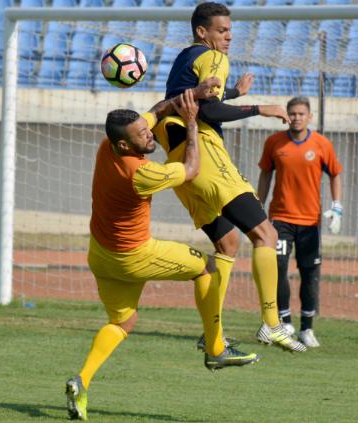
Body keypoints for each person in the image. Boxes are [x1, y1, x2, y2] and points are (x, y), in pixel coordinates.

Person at [65, 86, 259, 421]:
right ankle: (215, 349)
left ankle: (81, 382)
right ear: (125, 145)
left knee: (123, 321)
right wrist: (192, 124)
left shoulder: (106, 146)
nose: (148, 132)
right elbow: (192, 169)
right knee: (207, 268)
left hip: (101, 255)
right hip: (135, 255)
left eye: (145, 127)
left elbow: (155, 111)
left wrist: (186, 96)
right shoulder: (142, 173)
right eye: (142, 134)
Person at [152, 1, 306, 353]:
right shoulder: (214, 58)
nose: (229, 37)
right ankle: (272, 324)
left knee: (228, 244)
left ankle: (213, 334)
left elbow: (188, 97)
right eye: (222, 31)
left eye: (230, 31)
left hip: (180, 162)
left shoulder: (184, 58)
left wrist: (235, 92)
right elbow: (208, 108)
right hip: (203, 154)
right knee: (265, 234)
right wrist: (260, 108)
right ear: (202, 32)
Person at [257, 96, 344, 348]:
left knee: (309, 274)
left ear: (309, 117)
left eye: (300, 114)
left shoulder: (321, 144)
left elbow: (336, 174)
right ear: (287, 116)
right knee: (278, 269)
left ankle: (307, 328)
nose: (296, 118)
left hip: (310, 222)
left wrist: (337, 207)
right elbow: (265, 175)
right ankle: (284, 323)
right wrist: (257, 208)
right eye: (292, 114)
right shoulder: (274, 142)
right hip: (280, 219)